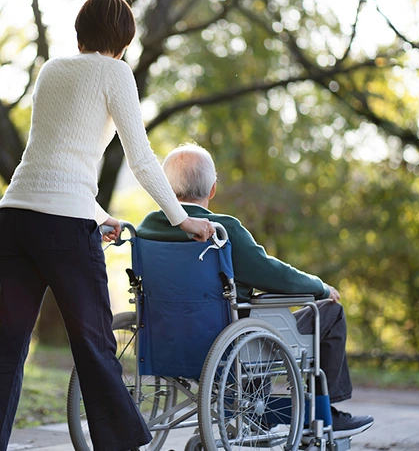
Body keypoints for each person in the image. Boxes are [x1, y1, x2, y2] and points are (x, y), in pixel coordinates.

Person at [0, 0, 215, 451]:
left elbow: (53, 158)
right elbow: (140, 157)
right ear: (124, 37)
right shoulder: (114, 72)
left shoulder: (52, 70)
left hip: (15, 218)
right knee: (95, 347)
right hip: (62, 230)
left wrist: (97, 215)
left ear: (81, 29)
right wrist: (181, 219)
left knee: (6, 348)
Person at [137, 144, 374, 438]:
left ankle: (259, 407)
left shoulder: (146, 228)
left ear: (167, 189)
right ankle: (325, 411)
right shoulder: (222, 230)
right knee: (330, 312)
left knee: (253, 316)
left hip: (166, 339)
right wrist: (320, 287)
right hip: (227, 342)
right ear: (212, 190)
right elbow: (274, 276)